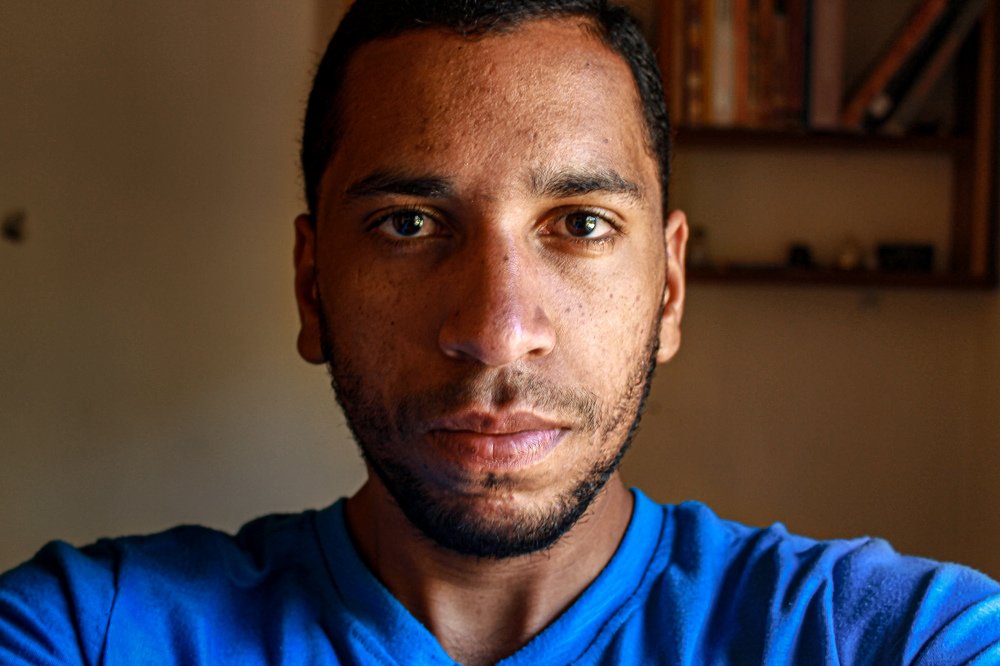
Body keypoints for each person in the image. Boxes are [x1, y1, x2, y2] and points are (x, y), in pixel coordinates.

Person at [2, 1, 999, 663]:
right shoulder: (88, 634)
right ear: (312, 287)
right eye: (408, 225)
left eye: (580, 224)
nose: (497, 331)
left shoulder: (887, 637)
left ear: (668, 289)